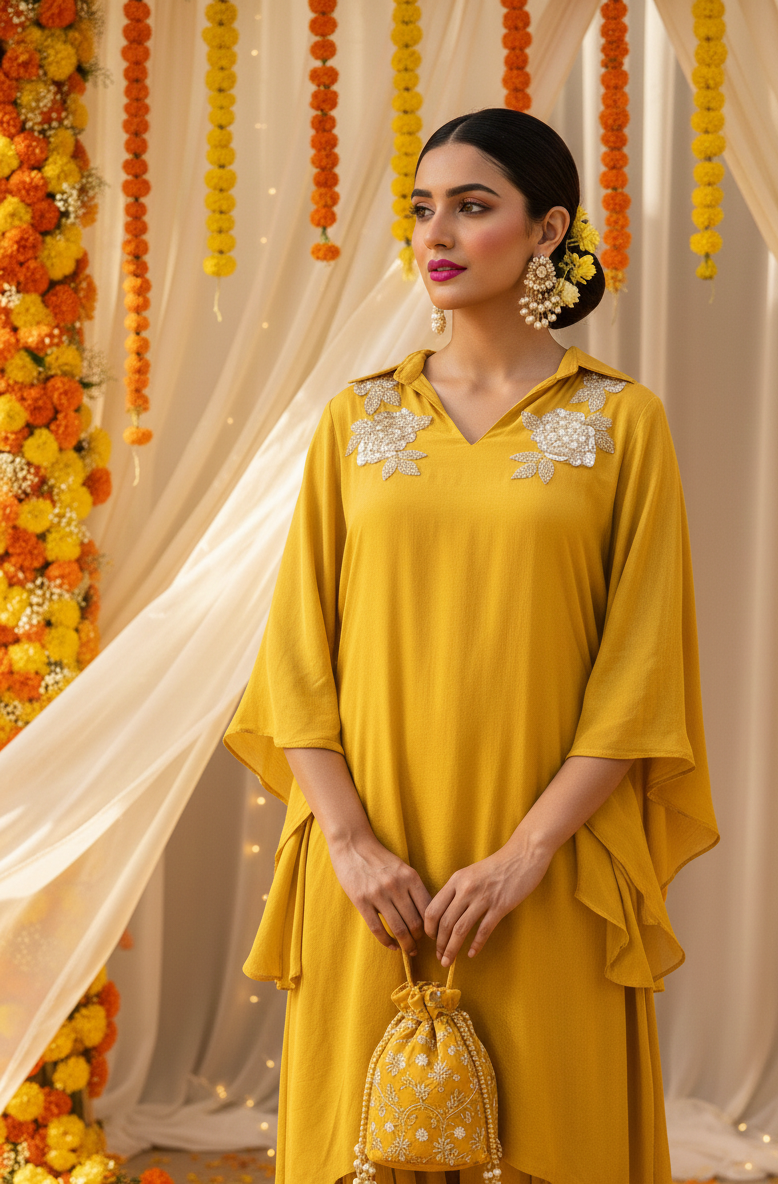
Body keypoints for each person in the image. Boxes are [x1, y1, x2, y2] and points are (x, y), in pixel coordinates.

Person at [224, 108, 719, 1184]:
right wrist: (349, 842)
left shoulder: (622, 422)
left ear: (547, 231)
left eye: (471, 205)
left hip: (547, 864)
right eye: (421, 207)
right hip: (376, 867)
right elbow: (297, 656)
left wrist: (525, 853)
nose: (434, 232)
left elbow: (641, 677)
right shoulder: (354, 423)